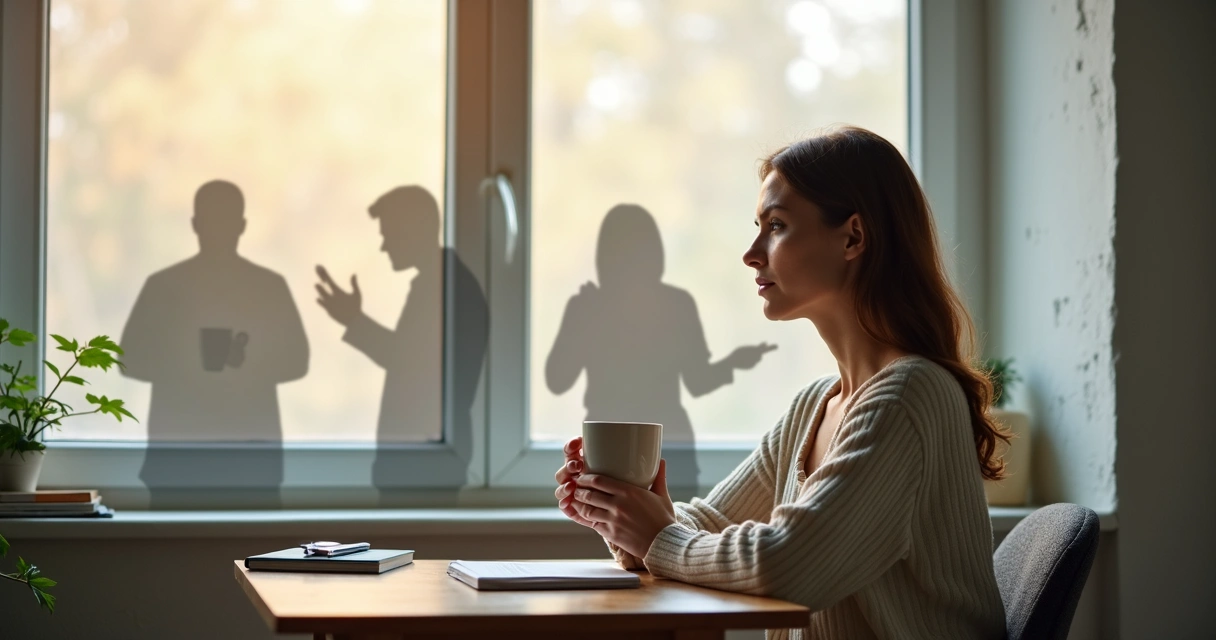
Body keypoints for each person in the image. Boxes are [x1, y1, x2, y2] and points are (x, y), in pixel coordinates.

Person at [554, 126, 1008, 639]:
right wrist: (620, 510)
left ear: (853, 237)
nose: (751, 253)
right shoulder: (815, 406)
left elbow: (788, 565)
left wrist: (656, 534)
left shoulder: (909, 396)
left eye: (776, 226)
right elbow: (707, 522)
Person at [545, 204, 776, 497]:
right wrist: (733, 363)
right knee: (657, 534)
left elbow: (557, 380)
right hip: (656, 447)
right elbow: (700, 381)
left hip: (627, 451)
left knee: (670, 531)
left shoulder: (591, 306)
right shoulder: (674, 304)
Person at [121, 180, 309, 508]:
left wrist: (247, 363)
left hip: (244, 462)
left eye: (224, 220)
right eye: (213, 219)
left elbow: (298, 360)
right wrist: (185, 360)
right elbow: (129, 359)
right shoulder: (164, 286)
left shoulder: (267, 287)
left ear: (240, 226)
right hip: (183, 463)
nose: (218, 229)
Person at [315, 186, 487, 492]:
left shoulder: (445, 287)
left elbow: (408, 364)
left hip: (426, 462)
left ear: (415, 231)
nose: (383, 246)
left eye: (389, 234)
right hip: (425, 456)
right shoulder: (443, 281)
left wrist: (354, 320)